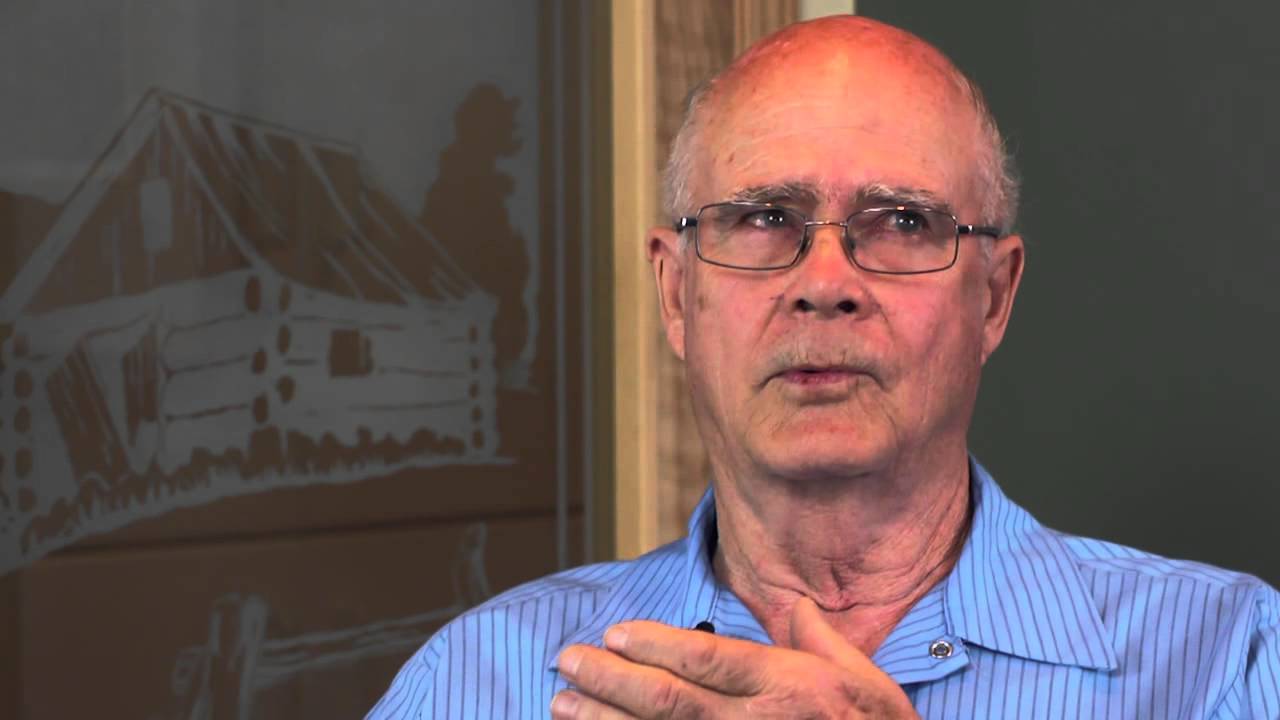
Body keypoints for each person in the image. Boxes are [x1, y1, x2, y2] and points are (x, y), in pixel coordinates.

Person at [369, 16, 1280, 719]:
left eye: (903, 222)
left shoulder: (1227, 662)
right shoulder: (478, 682)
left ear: (994, 298)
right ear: (676, 292)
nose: (825, 284)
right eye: (765, 218)